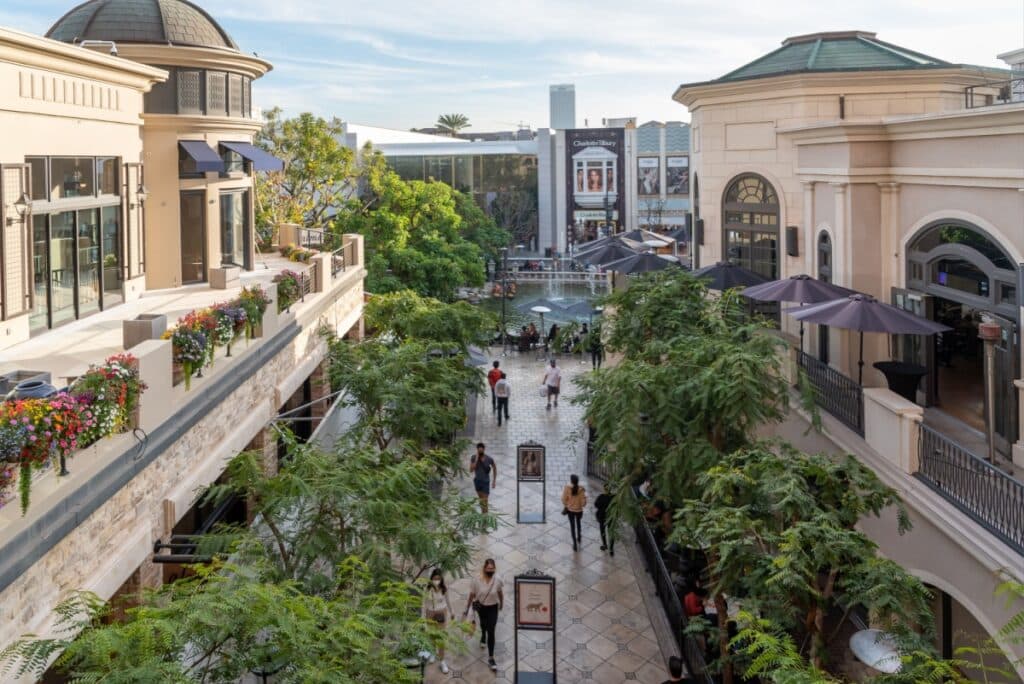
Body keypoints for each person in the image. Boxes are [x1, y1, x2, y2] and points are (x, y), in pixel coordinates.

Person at [464, 558, 504, 672]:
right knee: (483, 625)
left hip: (493, 607)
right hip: (481, 607)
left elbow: (500, 593)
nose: (490, 570)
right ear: (484, 568)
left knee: (491, 629)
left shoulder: (497, 580)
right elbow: (472, 594)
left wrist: (501, 604)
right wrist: (467, 608)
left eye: (492, 568)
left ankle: (491, 658)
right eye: (488, 568)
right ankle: (483, 636)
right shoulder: (477, 579)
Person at [422, 569, 455, 674]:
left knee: (440, 637)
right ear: (431, 579)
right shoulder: (427, 589)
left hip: (441, 614)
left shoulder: (444, 589)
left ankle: (442, 661)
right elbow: (423, 603)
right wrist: (423, 618)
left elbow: (448, 600)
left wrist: (452, 612)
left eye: (438, 579)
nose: (436, 581)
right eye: (435, 579)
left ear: (441, 579)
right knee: (431, 635)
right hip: (430, 613)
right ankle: (432, 652)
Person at [562, 474, 587, 551]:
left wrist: (567, 504)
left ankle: (575, 545)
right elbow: (583, 504)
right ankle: (579, 537)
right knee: (578, 523)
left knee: (572, 527)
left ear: (571, 481)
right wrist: (584, 499)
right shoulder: (581, 489)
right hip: (579, 511)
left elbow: (563, 499)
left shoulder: (567, 488)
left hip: (570, 511)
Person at [470, 443, 496, 514]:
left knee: (485, 501)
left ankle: (485, 517)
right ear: (477, 450)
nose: (480, 452)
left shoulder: (489, 459)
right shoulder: (473, 457)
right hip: (477, 481)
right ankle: (483, 514)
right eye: (479, 451)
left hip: (485, 482)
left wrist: (494, 481)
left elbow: (494, 467)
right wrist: (476, 459)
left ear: (484, 450)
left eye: (481, 450)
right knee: (481, 501)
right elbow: (471, 470)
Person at [593, 482, 615, 556]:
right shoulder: (614, 497)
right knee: (611, 532)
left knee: (603, 531)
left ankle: (605, 545)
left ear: (604, 489)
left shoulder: (601, 497)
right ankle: (611, 549)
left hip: (602, 517)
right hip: (611, 517)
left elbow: (596, 505)